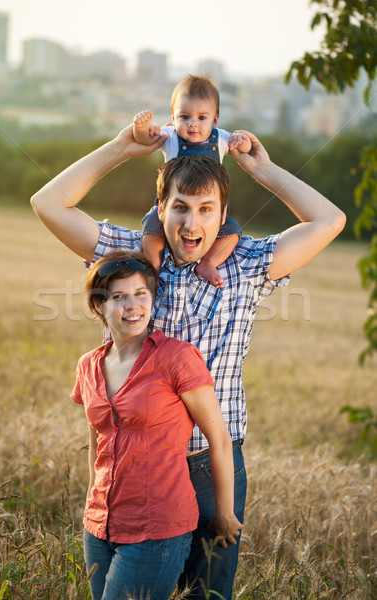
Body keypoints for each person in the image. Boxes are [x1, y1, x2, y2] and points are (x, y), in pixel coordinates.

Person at [30, 124, 346, 599]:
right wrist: (121, 149)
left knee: (206, 593)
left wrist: (263, 170)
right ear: (160, 211)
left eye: (205, 210)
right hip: (137, 462)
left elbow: (329, 220)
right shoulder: (133, 257)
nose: (190, 223)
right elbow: (48, 203)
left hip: (209, 465)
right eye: (179, 207)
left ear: (224, 217)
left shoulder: (246, 265)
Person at [71, 249, 241, 600]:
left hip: (156, 528)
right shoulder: (88, 365)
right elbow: (97, 440)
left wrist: (225, 512)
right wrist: (92, 498)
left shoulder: (176, 358)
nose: (132, 305)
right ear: (98, 306)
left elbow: (220, 440)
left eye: (140, 294)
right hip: (99, 525)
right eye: (118, 297)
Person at [133, 74, 252, 287]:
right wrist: (141, 128)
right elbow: (143, 139)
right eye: (185, 117)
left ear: (215, 120)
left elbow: (245, 149)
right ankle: (152, 264)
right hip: (173, 206)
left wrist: (240, 141)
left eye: (201, 118)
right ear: (173, 117)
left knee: (233, 231)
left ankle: (209, 262)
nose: (192, 124)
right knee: (152, 225)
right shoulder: (170, 136)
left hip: (211, 210)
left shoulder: (221, 138)